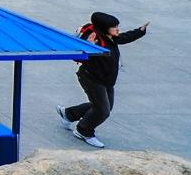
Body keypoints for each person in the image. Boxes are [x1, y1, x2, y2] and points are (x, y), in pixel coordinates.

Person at [59, 11, 148, 148]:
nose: (117, 29)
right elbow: (77, 56)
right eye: (114, 26)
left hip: (106, 80)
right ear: (104, 27)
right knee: (102, 111)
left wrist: (140, 31)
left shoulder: (111, 36)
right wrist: (88, 46)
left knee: (105, 107)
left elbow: (124, 37)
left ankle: (69, 114)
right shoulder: (94, 38)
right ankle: (83, 130)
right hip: (91, 78)